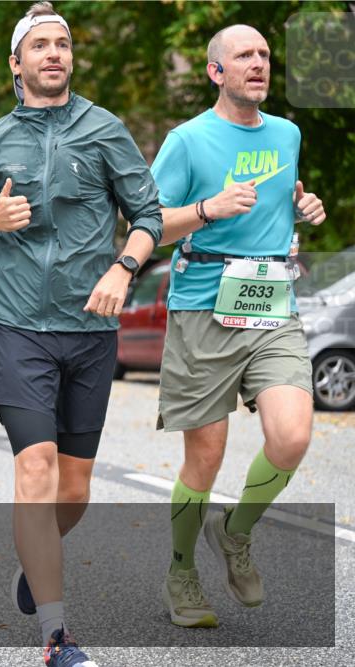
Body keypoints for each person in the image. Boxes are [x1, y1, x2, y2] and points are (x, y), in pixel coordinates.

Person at [0, 3, 163, 665]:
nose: (53, 54)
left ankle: (32, 565)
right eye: (39, 45)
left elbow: (148, 214)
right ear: (16, 63)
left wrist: (125, 269)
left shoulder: (104, 130)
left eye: (62, 44)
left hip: (90, 329)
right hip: (17, 328)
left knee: (73, 491)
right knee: (34, 469)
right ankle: (56, 635)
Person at [150, 24, 326, 629]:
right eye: (243, 56)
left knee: (293, 436)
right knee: (206, 456)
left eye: (265, 55)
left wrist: (306, 205)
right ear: (216, 71)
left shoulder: (288, 134)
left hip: (271, 305)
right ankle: (180, 570)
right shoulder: (187, 141)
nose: (258, 64)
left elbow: (284, 202)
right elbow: (149, 226)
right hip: (202, 306)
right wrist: (207, 209)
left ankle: (236, 530)